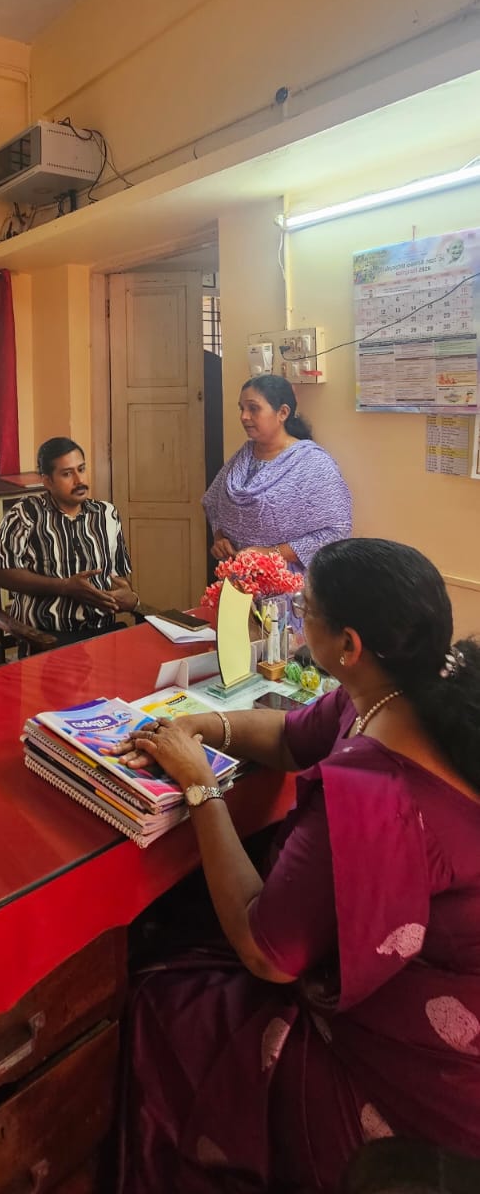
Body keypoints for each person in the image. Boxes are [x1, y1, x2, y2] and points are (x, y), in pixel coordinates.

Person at [118, 538, 480, 1193]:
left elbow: (268, 954)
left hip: (414, 1065)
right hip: (432, 979)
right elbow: (292, 736)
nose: (295, 618)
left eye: (304, 609)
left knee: (164, 1000)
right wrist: (203, 727)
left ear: (348, 645)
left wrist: (200, 786)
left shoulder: (371, 795)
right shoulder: (396, 693)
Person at [0, 437, 139, 646]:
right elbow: (0, 575)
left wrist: (129, 596)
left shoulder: (107, 514)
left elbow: (119, 576)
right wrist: (64, 587)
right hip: (46, 638)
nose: (79, 480)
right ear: (47, 481)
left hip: (101, 633)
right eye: (67, 474)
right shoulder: (25, 513)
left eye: (82, 469)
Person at [203, 373, 351, 568]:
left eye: (253, 408)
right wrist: (220, 538)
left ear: (282, 413)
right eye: (242, 408)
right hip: (238, 576)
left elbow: (336, 531)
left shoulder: (312, 464)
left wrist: (271, 554)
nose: (244, 416)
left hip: (288, 580)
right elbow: (213, 503)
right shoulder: (242, 457)